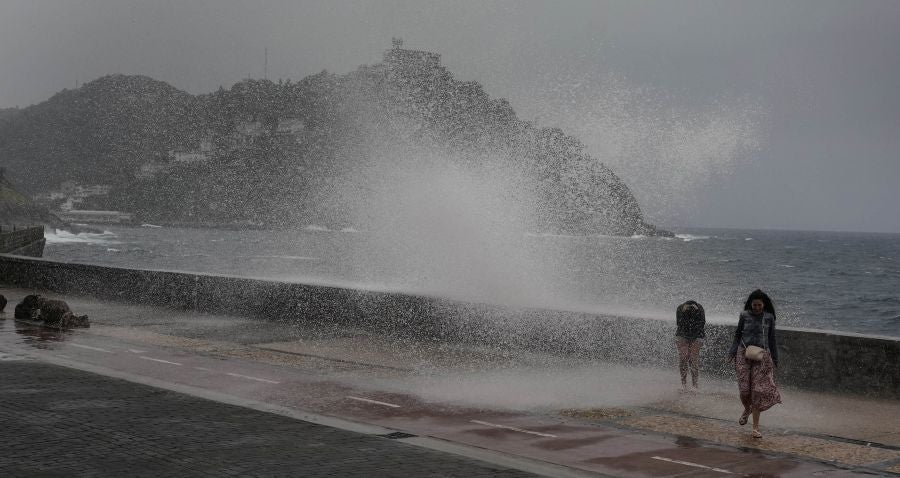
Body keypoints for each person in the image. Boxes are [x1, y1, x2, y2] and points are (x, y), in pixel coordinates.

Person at [728, 289, 782, 438]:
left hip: (762, 355)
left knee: (757, 391)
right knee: (744, 390)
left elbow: (772, 339)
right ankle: (747, 409)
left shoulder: (769, 318)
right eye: (754, 305)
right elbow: (737, 335)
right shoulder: (744, 315)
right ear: (750, 304)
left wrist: (775, 359)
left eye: (759, 305)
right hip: (743, 353)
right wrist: (732, 353)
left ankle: (755, 428)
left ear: (764, 305)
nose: (757, 308)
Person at [675, 300, 705, 391]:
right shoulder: (680, 308)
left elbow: (702, 324)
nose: (690, 309)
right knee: (683, 357)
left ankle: (695, 385)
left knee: (693, 358)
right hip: (682, 334)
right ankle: (683, 384)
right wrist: (683, 312)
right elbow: (679, 324)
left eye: (692, 307)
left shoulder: (699, 308)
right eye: (689, 307)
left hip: (697, 335)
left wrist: (697, 312)